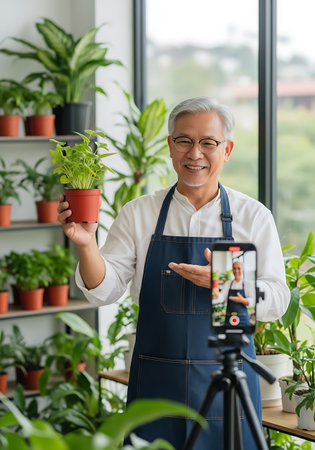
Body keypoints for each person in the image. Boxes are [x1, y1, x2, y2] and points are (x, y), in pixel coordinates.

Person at [57, 97, 290, 449]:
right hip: (154, 390)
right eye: (184, 141)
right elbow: (103, 291)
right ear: (169, 146)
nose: (195, 153)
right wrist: (86, 244)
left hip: (228, 389)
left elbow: (276, 300)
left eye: (208, 143)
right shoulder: (139, 213)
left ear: (226, 150)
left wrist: (224, 280)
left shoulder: (253, 217)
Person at [215, 260, 256, 327]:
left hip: (243, 320)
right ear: (232, 270)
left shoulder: (248, 284)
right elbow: (221, 298)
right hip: (229, 319)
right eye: (234, 268)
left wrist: (242, 300)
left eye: (238, 268)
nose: (236, 271)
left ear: (243, 270)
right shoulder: (228, 283)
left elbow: (253, 300)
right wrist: (216, 292)